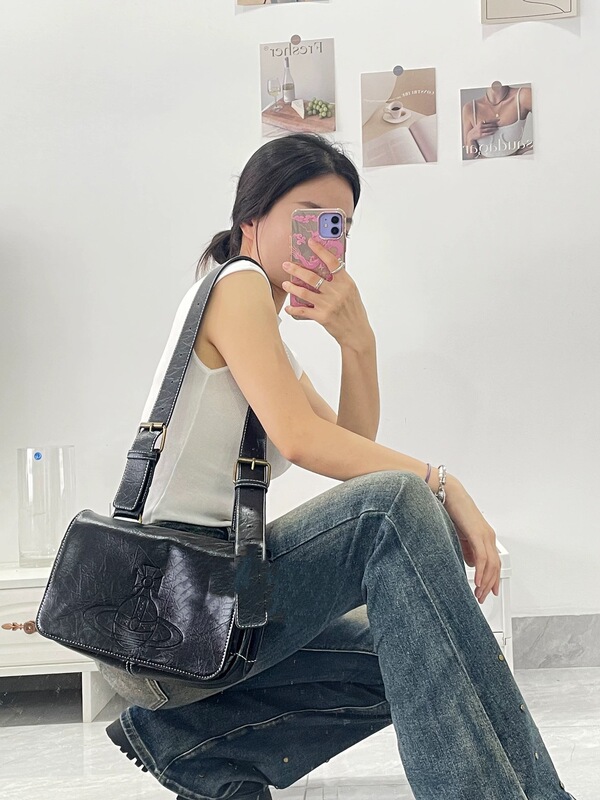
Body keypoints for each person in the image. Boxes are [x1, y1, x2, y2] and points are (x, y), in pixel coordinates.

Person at [99, 133, 574, 800]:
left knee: (424, 640)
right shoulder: (236, 285)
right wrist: (445, 483)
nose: (324, 239)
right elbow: (308, 445)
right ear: (252, 219)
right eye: (308, 217)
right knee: (398, 506)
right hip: (168, 610)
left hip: (210, 611)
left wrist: (360, 344)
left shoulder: (262, 333)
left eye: (339, 225)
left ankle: (189, 744)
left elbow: (350, 446)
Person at [462, 81, 533, 160]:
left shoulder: (523, 96)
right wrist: (470, 137)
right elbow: (471, 156)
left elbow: (545, 120)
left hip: (514, 165)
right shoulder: (470, 108)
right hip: (483, 166)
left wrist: (527, 149)